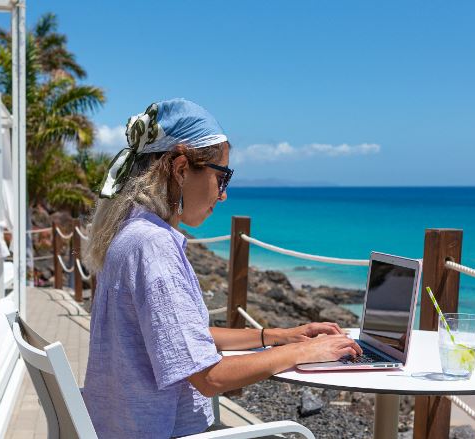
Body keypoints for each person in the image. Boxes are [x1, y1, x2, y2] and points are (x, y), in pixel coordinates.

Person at [81, 99, 362, 438]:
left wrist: (276, 336)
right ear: (181, 169)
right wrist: (303, 351)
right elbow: (210, 378)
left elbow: (182, 337)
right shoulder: (154, 245)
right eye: (222, 177)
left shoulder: (130, 233)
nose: (224, 194)